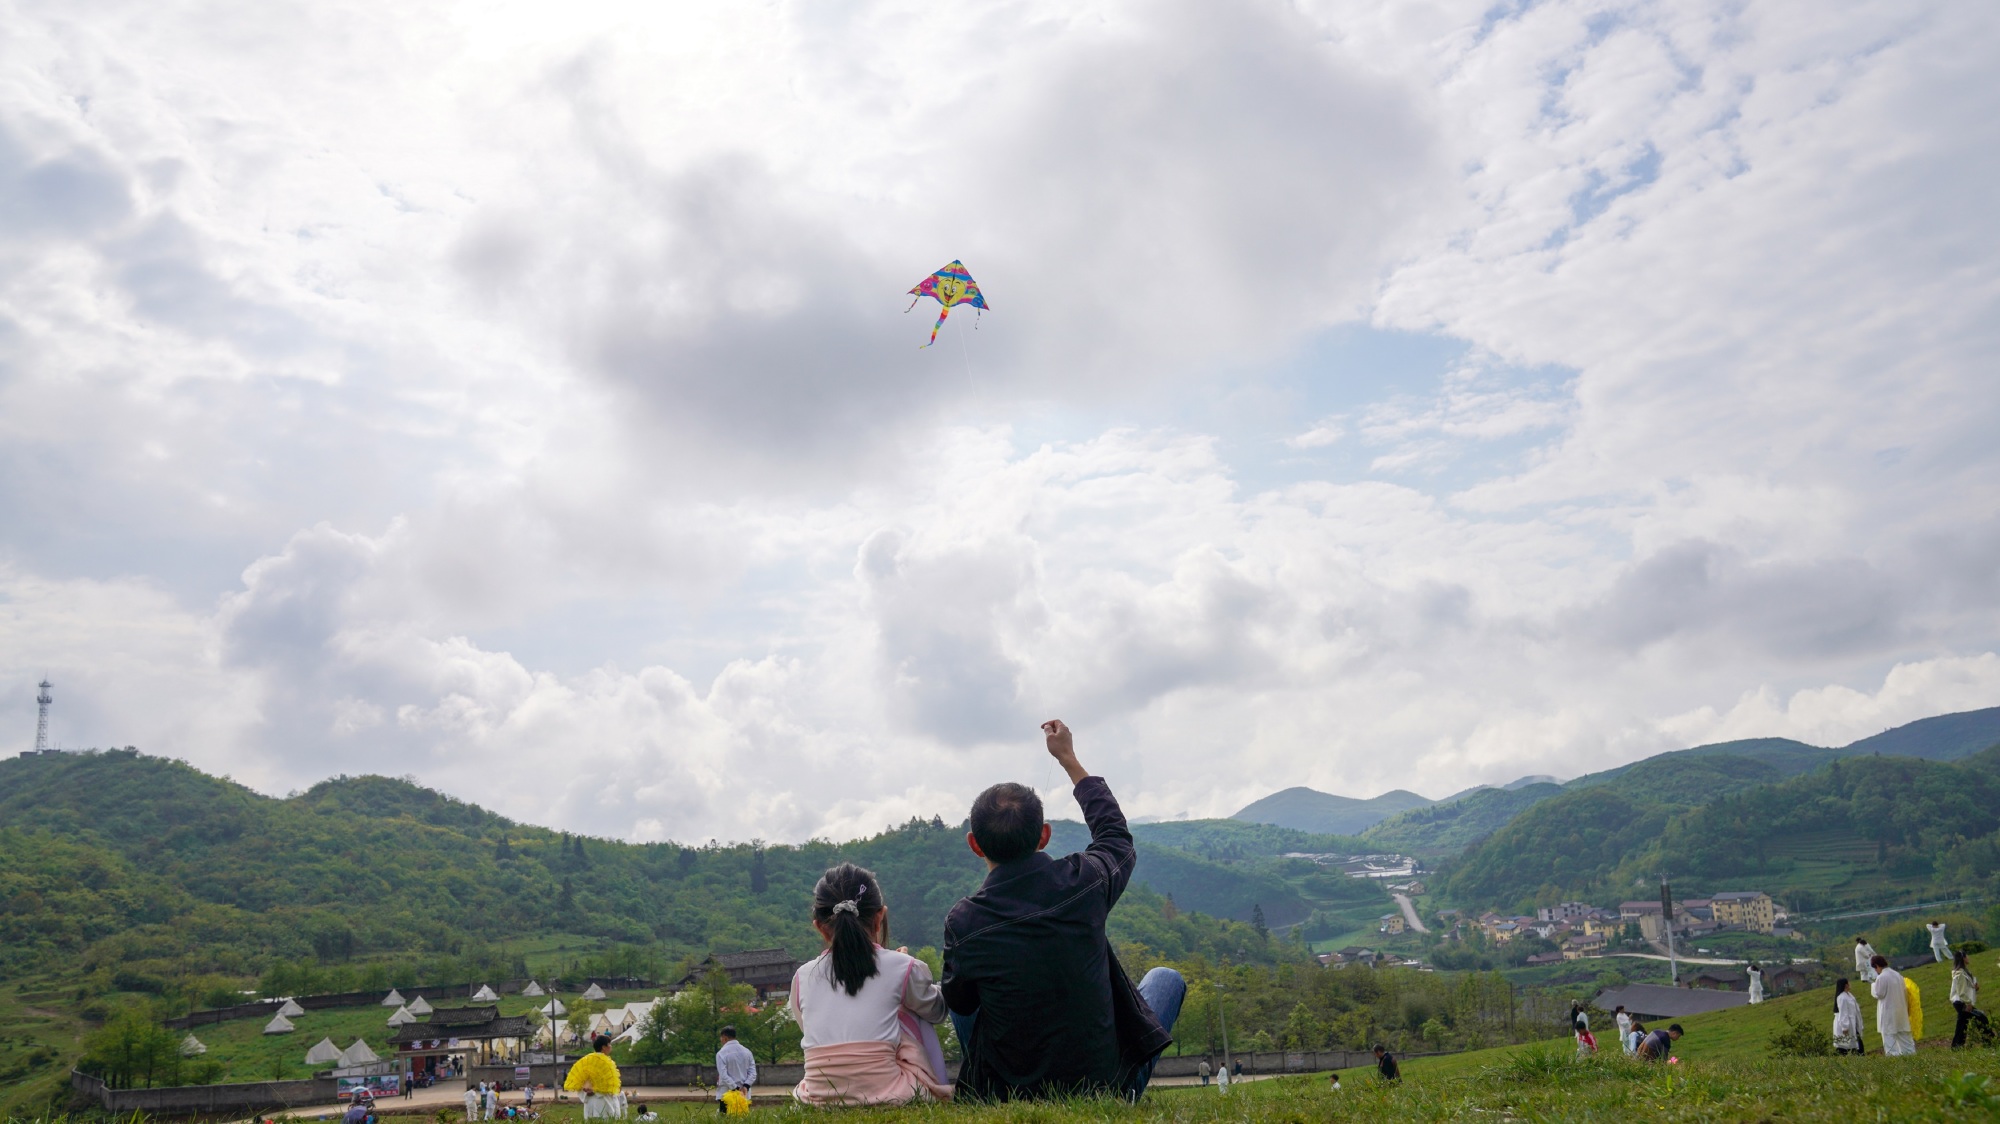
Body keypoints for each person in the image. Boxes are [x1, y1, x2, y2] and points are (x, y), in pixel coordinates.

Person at [941, 719, 1183, 1102]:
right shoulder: (1084, 881)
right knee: (1167, 979)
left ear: (975, 845)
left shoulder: (964, 921)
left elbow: (961, 1003)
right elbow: (1115, 837)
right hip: (1108, 1088)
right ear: (1044, 835)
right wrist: (1069, 759)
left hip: (1009, 1093)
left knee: (963, 986)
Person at [789, 862, 952, 1105]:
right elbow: (938, 1011)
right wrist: (908, 969)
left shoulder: (802, 976)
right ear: (879, 918)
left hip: (818, 1097)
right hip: (894, 1092)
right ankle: (938, 1080)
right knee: (912, 1006)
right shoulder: (901, 966)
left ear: (820, 928)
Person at [564, 1034, 625, 1120]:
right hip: (604, 1102)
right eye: (609, 1044)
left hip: (590, 1103)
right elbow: (611, 1087)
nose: (611, 1047)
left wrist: (587, 1090)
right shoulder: (606, 1063)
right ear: (604, 1047)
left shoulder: (586, 1060)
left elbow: (581, 1086)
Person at [1870, 956, 1915, 1056]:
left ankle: (1893, 1057)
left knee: (1889, 1037)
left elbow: (1879, 994)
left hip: (1888, 1011)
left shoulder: (1881, 977)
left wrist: (1873, 986)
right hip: (1901, 1009)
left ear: (1877, 966)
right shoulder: (1897, 975)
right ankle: (1910, 1054)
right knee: (1904, 1037)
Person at [1952, 949, 1994, 1048]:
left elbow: (1965, 987)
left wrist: (1974, 987)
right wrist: (1968, 1003)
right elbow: (1961, 992)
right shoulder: (1960, 973)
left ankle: (1957, 1046)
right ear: (1963, 958)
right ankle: (1989, 1041)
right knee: (1980, 1018)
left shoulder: (1964, 972)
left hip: (1961, 1002)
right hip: (1962, 1002)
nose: (1968, 958)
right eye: (1967, 956)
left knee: (1962, 1024)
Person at [715, 1026, 757, 1112]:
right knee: (743, 1119)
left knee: (726, 1119)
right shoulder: (747, 1052)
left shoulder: (721, 1053)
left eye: (721, 1038)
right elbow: (753, 1073)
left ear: (725, 1038)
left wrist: (735, 1088)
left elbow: (723, 1075)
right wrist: (746, 1086)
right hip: (744, 1095)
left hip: (727, 1094)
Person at [1833, 978, 1865, 1055]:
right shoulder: (1842, 997)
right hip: (1846, 1024)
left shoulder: (1849, 995)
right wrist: (1845, 1026)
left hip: (1853, 1023)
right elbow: (1843, 1012)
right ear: (1846, 985)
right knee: (1845, 1044)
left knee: (1855, 1042)